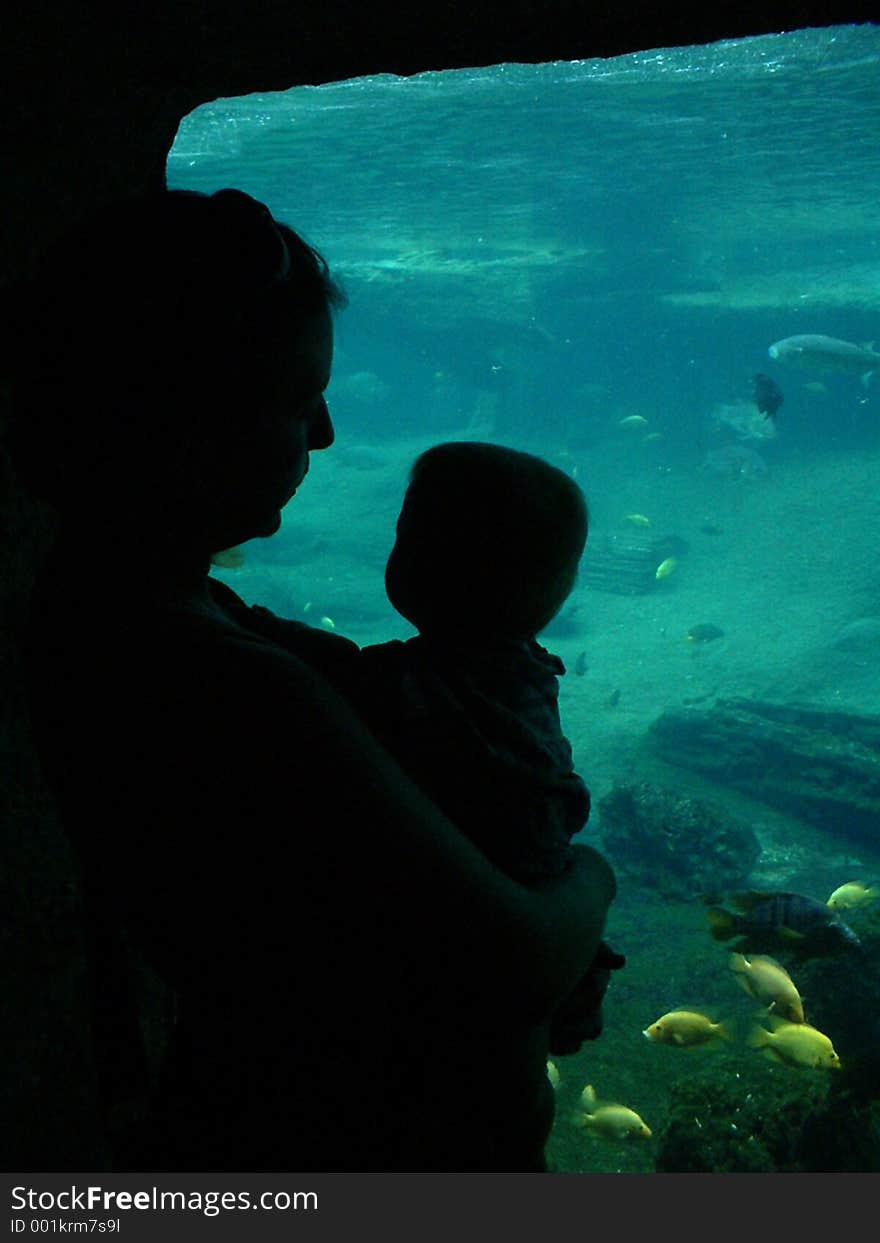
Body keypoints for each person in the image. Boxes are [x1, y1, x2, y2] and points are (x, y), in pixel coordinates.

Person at [5, 187, 616, 1172]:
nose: (326, 433)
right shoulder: (229, 682)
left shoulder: (137, 614)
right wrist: (592, 883)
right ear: (182, 416)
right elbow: (513, 961)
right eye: (296, 400)